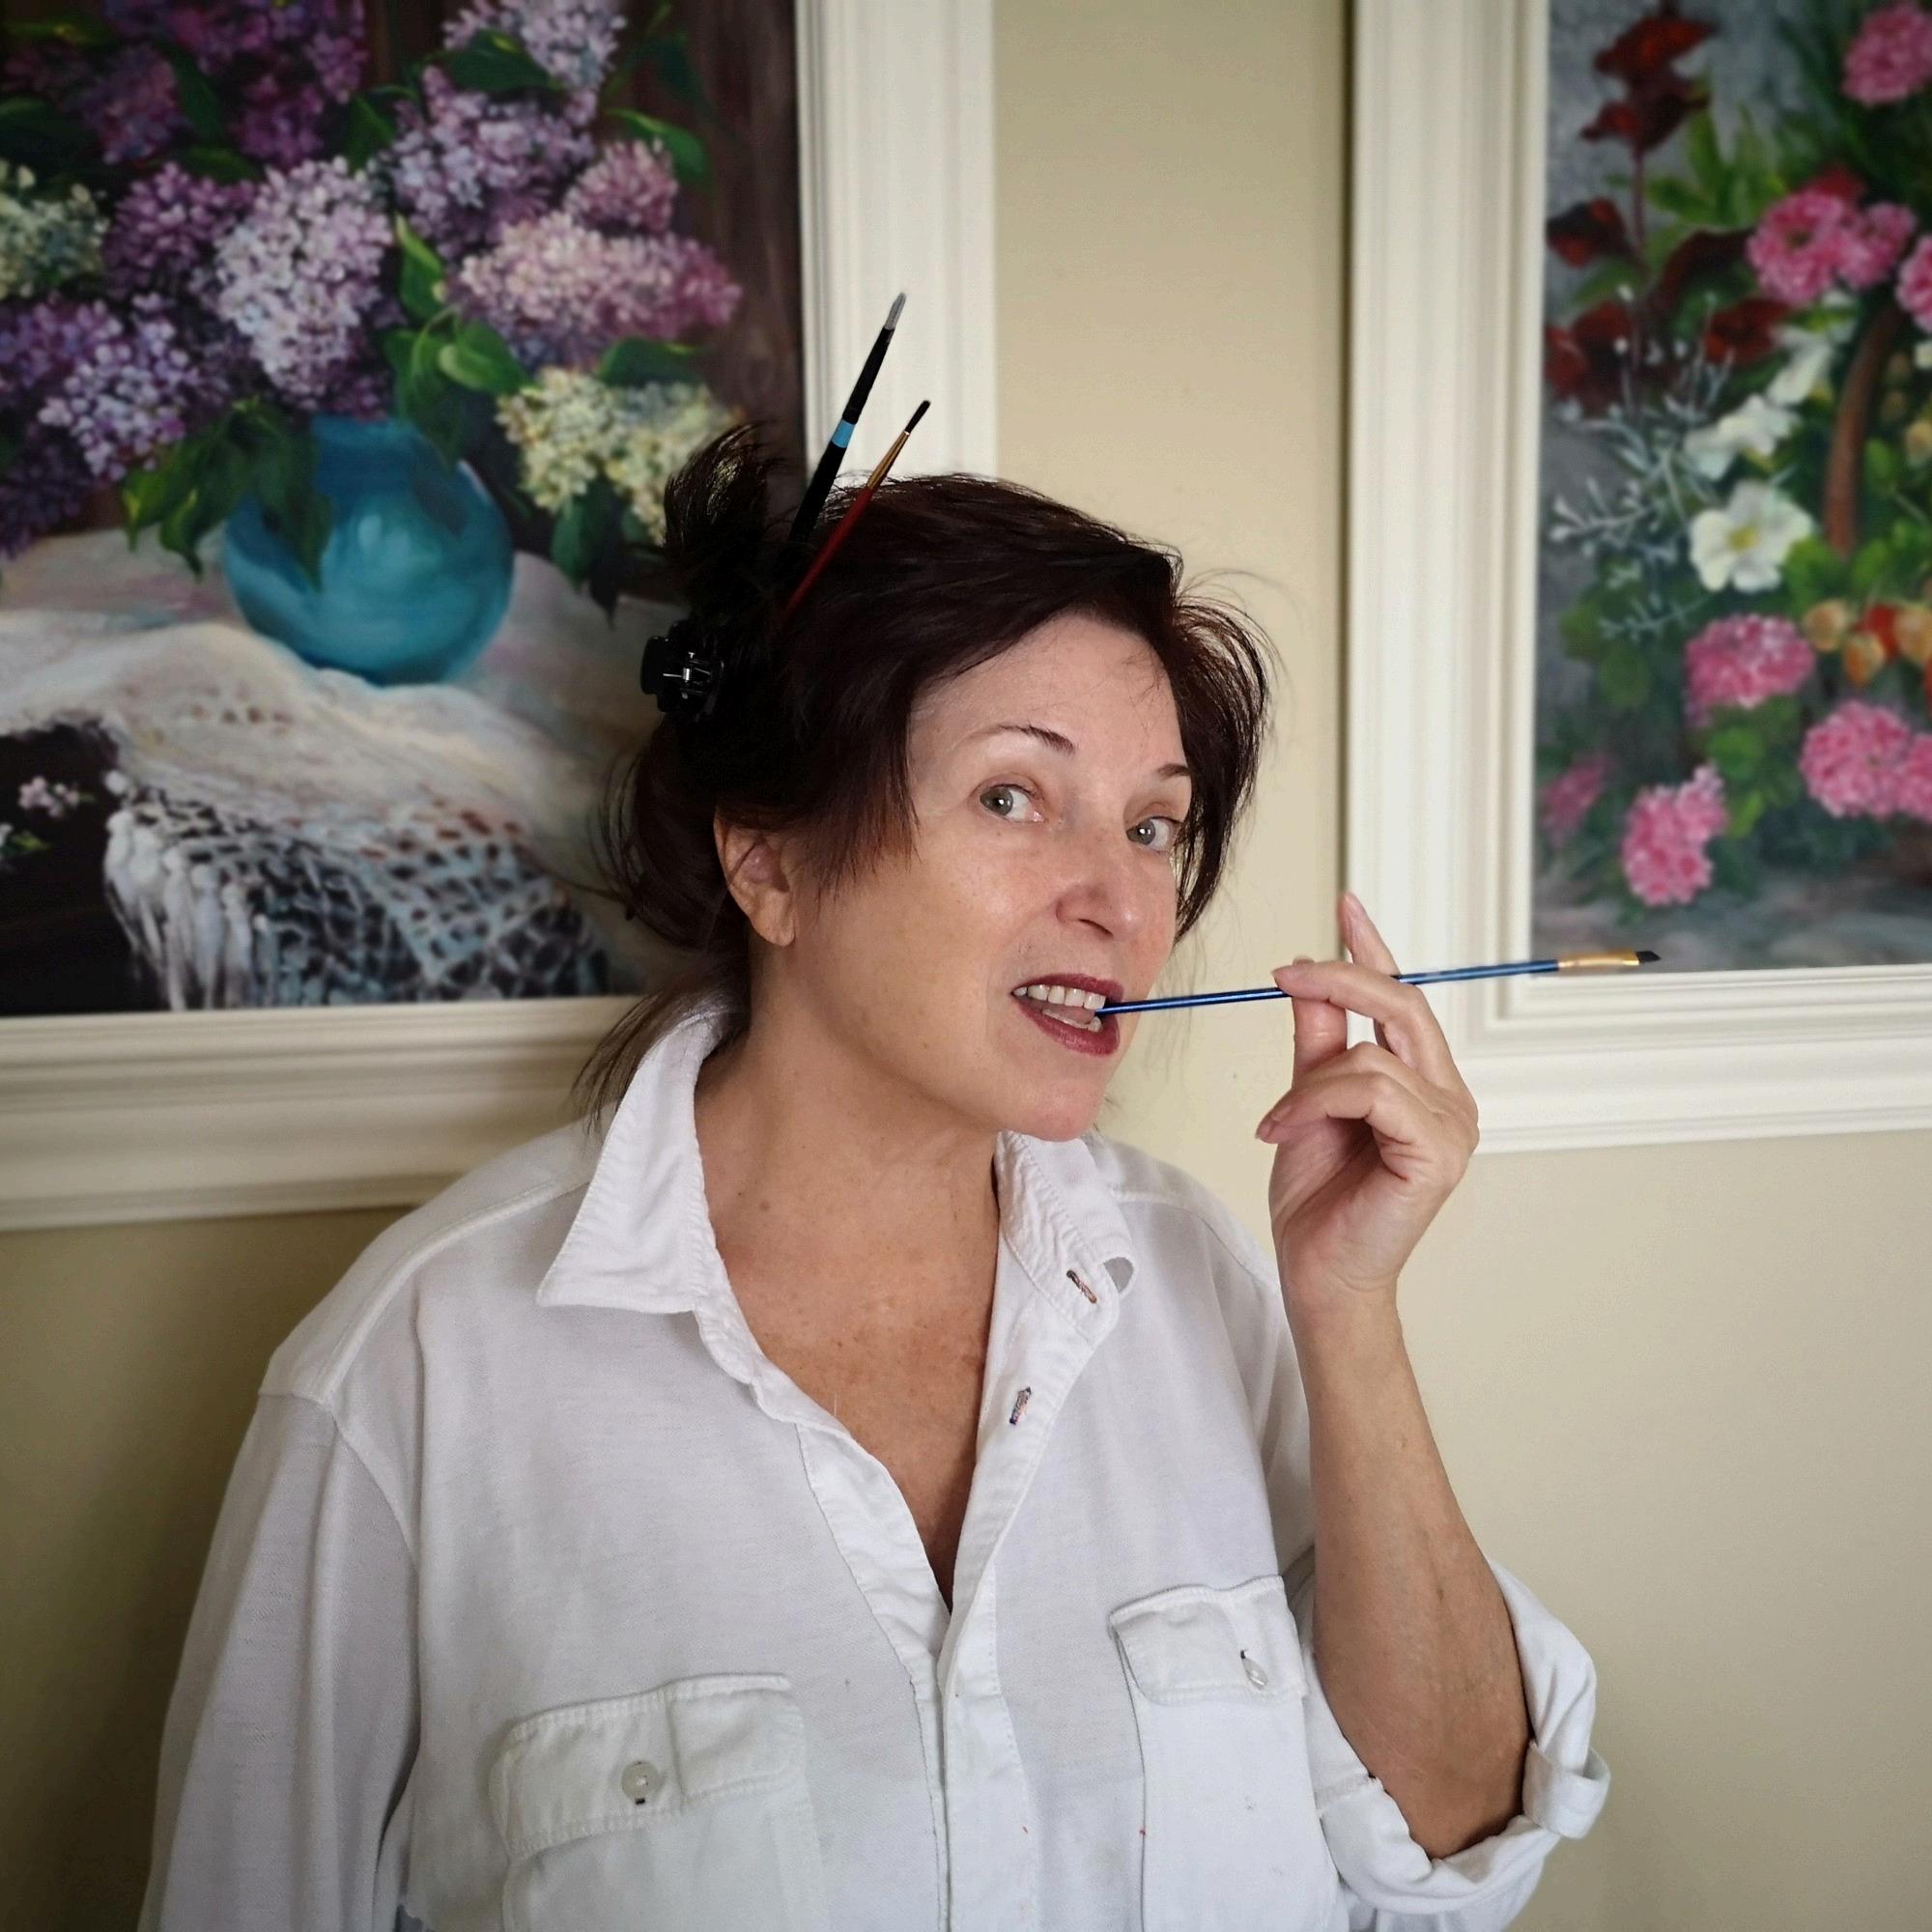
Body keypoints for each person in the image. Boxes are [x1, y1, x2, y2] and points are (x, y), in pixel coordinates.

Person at [138, 425, 1608, 1931]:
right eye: (1012, 798)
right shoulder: (418, 1368)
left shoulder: (1209, 1282)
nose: (1119, 900)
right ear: (770, 864)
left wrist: (1349, 1310)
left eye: (1153, 825)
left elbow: (1453, 1843)